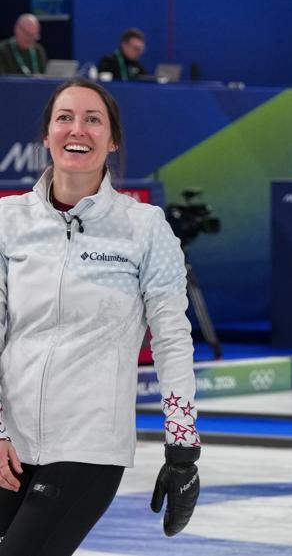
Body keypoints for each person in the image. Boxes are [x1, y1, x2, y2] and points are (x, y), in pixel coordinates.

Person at [0, 78, 202, 553]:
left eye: (94, 120)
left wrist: (183, 448)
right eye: (65, 117)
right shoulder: (8, 222)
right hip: (9, 440)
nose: (78, 129)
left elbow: (172, 339)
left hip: (88, 447)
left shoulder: (144, 228)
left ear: (112, 141)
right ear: (46, 135)